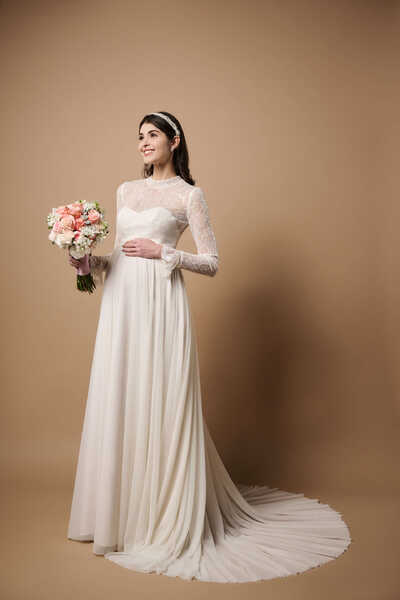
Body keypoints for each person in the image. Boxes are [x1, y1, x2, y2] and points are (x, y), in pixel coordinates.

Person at [67, 111, 352, 583]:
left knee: (158, 401)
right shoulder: (125, 190)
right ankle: (117, 518)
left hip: (160, 307)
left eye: (152, 135)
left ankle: (158, 518)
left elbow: (212, 262)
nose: (143, 143)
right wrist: (84, 261)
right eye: (139, 137)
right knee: (121, 398)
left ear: (174, 141)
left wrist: (165, 252)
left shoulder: (188, 196)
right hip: (121, 306)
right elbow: (117, 255)